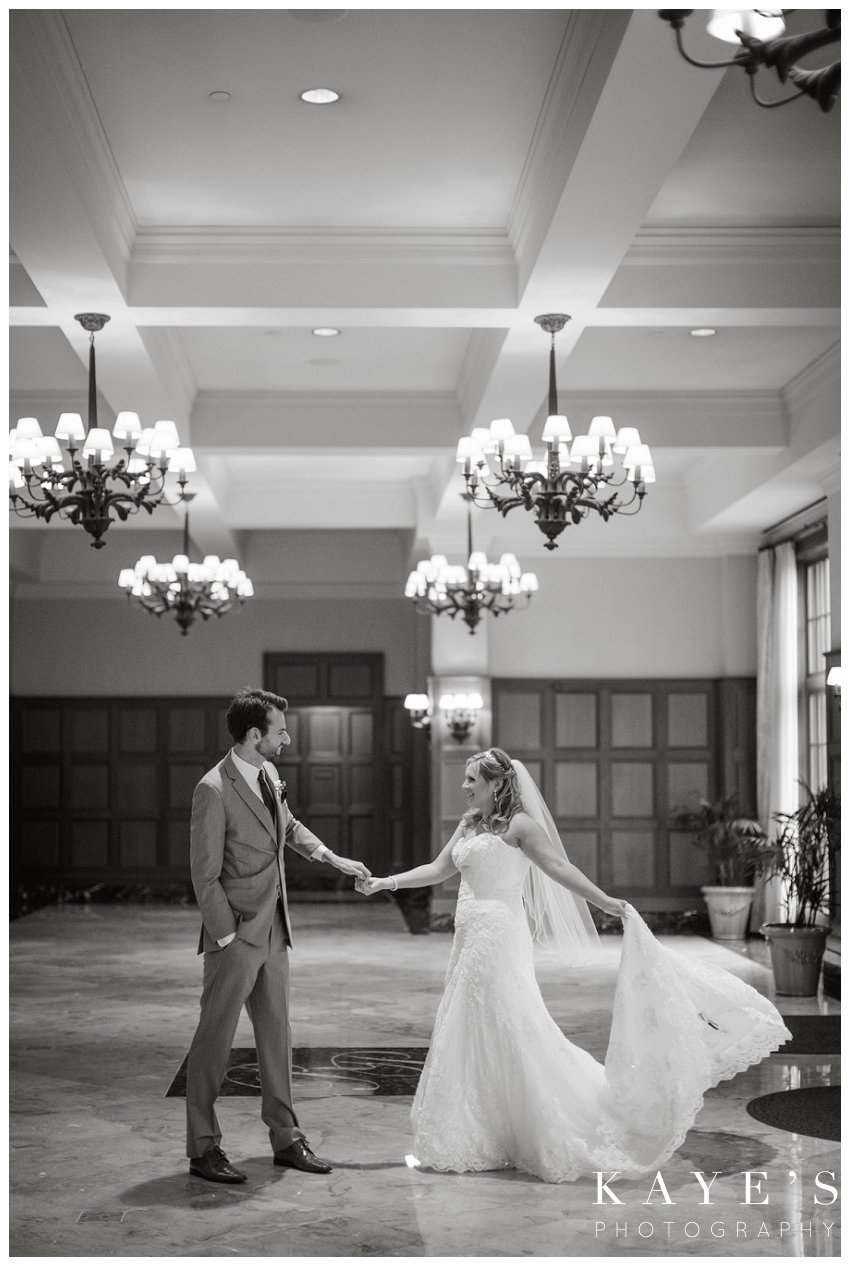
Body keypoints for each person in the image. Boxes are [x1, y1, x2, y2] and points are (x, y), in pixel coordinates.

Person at [356, 747, 791, 1183]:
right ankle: (481, 1128)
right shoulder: (469, 823)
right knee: (469, 1022)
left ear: (496, 784)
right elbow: (437, 869)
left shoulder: (521, 825)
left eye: (472, 779)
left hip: (499, 936)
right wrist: (386, 883)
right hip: (468, 936)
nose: (464, 786)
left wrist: (605, 902)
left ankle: (535, 1124)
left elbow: (559, 867)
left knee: (508, 1021)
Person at [185, 686, 371, 1184]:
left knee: (276, 1038)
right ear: (253, 735)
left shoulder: (267, 773)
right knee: (214, 1042)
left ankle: (286, 1139)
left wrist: (332, 857)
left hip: (276, 930)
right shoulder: (213, 789)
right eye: (280, 731)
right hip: (237, 936)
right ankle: (203, 1147)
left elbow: (287, 827)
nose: (286, 739)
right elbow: (203, 875)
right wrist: (226, 936)